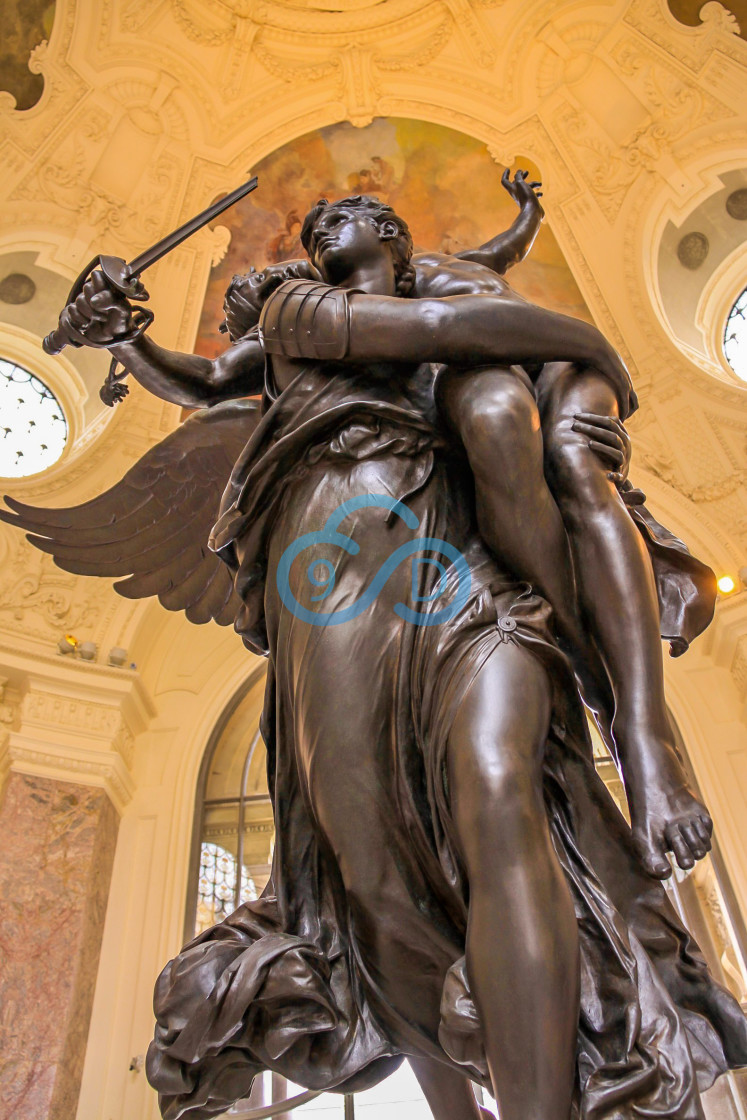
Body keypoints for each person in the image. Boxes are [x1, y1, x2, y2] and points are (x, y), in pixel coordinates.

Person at [44, 195, 747, 1120]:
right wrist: (125, 335)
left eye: (363, 210)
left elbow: (474, 328)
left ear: (400, 239)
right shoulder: (298, 320)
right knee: (367, 869)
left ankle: (629, 729)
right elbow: (208, 379)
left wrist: (578, 353)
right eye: (322, 218)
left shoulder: (443, 321)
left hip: (460, 559)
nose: (334, 219)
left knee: (502, 787)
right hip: (329, 558)